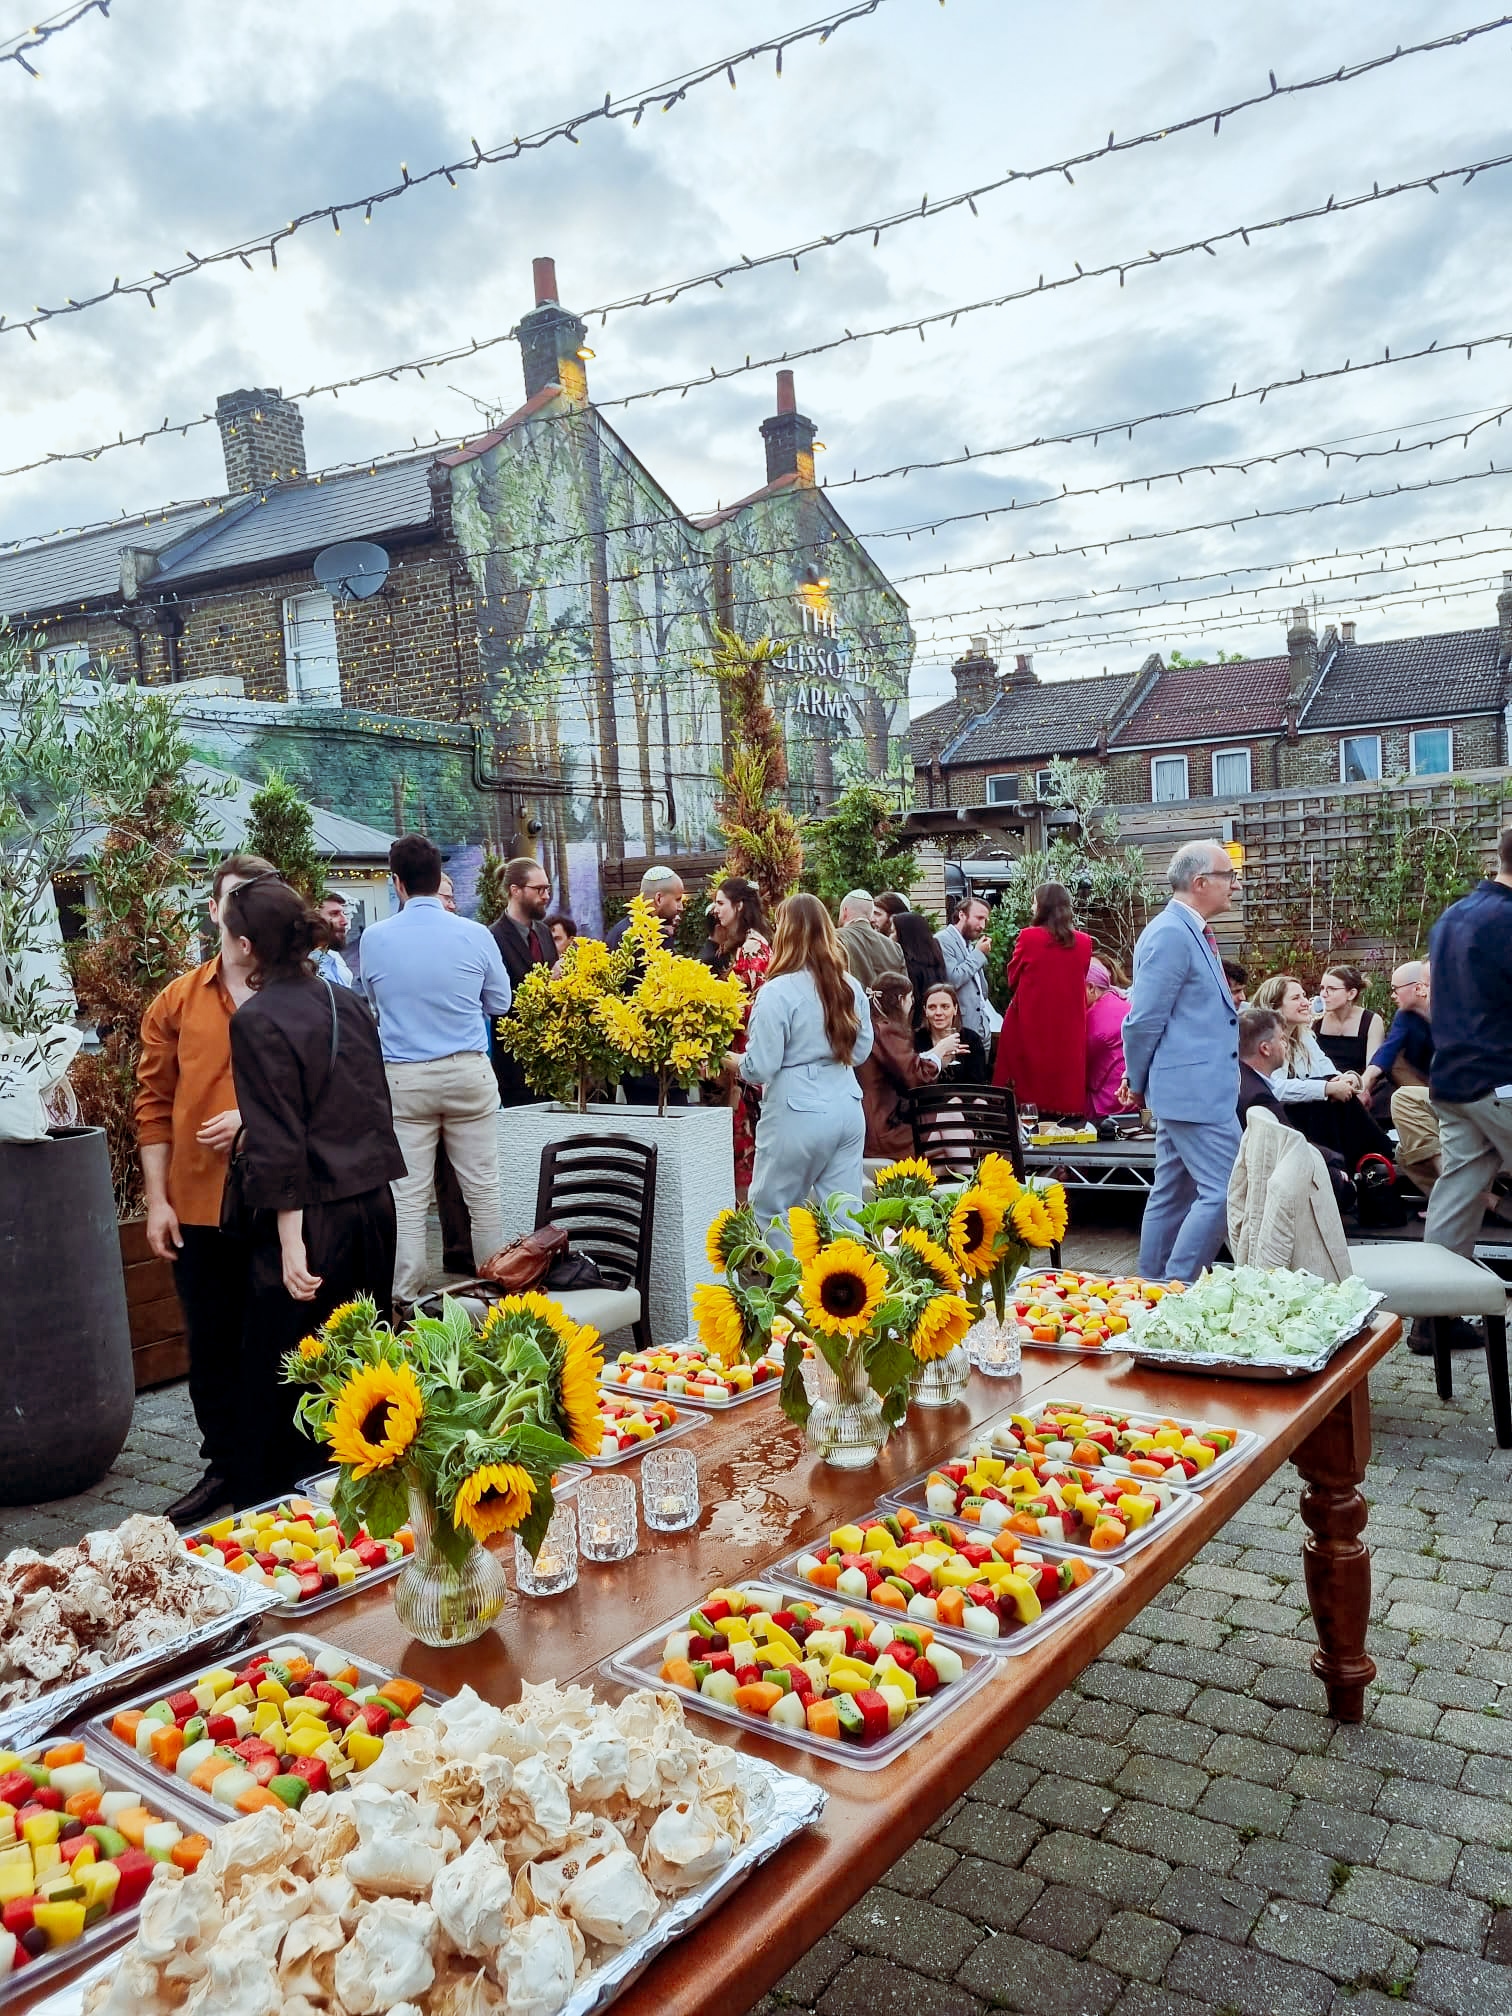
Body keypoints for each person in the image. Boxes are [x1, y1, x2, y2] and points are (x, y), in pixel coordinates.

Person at [222, 876, 406, 1502]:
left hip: (314, 1220)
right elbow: (367, 1108)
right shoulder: (347, 1002)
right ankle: (375, 1502)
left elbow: (278, 1140)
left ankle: (293, 1523)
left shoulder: (255, 1020)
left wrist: (290, 1241)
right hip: (374, 1209)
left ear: (247, 944)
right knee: (365, 1368)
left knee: (292, 1377)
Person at [135, 852, 276, 1524]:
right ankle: (225, 1469)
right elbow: (153, 1102)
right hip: (197, 1204)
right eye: (235, 895)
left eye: (259, 894)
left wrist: (256, 1118)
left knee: (280, 1339)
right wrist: (157, 1199)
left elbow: (336, 1092)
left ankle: (282, 1470)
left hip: (286, 1205)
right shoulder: (179, 1000)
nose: (244, 906)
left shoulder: (302, 998)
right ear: (216, 910)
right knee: (213, 1344)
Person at [358, 834, 510, 1306]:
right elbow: (500, 1001)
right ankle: (495, 1292)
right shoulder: (475, 934)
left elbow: (374, 1003)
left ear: (397, 882)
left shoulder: (374, 938)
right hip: (467, 1071)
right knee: (482, 1190)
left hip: (406, 1079)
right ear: (437, 878)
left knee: (406, 1194)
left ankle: (405, 1297)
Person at [1121, 840, 1241, 1282]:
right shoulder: (1172, 932)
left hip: (1191, 1089)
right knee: (1227, 1190)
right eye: (1229, 875)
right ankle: (1177, 1288)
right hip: (1194, 1093)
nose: (1236, 884)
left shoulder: (1185, 929)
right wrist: (1135, 1079)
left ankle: (1149, 1289)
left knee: (1172, 1193)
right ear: (1200, 882)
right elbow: (1143, 1019)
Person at [739, 893, 874, 1227]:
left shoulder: (778, 990)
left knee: (773, 1210)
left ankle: (789, 1280)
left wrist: (729, 1060)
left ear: (785, 933)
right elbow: (859, 1052)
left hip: (796, 1107)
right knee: (845, 1214)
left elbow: (760, 1066)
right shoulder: (850, 986)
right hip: (846, 1103)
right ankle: (851, 1278)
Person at [1423, 828, 1512, 1266]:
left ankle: (1433, 1324)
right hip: (1501, 1079)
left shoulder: (1452, 916)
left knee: (1456, 1198)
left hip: (1455, 1081)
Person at [1251, 974, 1394, 1169]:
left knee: (1331, 1094)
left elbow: (1329, 1071)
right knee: (1324, 1100)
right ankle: (1379, 1155)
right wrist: (1326, 1088)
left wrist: (1349, 1078)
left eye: (1304, 996)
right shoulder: (1267, 1041)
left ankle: (1364, 1162)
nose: (1305, 1002)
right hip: (1277, 1118)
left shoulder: (1303, 1036)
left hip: (1309, 1118)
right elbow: (1274, 1088)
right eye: (1296, 998)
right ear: (1274, 1006)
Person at [994, 883, 1093, 1115]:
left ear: (1042, 906)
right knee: (1064, 1074)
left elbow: (1012, 977)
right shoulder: (1085, 942)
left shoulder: (1028, 937)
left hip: (1030, 1019)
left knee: (1027, 1075)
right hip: (1068, 1024)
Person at [706, 876, 771, 1197]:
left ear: (739, 906)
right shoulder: (742, 944)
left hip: (747, 1060)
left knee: (747, 1146)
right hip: (741, 1060)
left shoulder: (752, 947)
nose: (714, 909)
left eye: (720, 903)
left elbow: (746, 1005)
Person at [607, 865, 688, 1103]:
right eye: (678, 899)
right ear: (659, 898)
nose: (681, 906)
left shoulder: (621, 931)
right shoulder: (646, 937)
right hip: (652, 1060)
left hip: (637, 1058)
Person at [859, 973, 960, 1159]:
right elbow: (915, 1077)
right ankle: (972, 1181)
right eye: (910, 997)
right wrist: (939, 1051)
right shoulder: (887, 1029)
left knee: (954, 1130)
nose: (912, 1003)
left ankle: (965, 1180)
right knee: (951, 1121)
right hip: (883, 1130)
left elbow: (901, 1065)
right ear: (900, 1000)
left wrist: (932, 1057)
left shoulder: (873, 1027)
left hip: (872, 1124)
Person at [1361, 961, 1439, 1190]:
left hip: (1467, 1087)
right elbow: (1387, 1051)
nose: (1392, 995)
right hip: (1427, 1083)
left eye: (1395, 988)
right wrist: (1364, 1084)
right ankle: (1446, 1197)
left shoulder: (1454, 1012)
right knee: (1406, 1151)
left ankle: (1458, 1199)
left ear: (1418, 988)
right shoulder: (1405, 1016)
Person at [489, 857, 553, 1108]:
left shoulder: (545, 932)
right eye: (539, 889)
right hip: (515, 1065)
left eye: (547, 888)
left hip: (551, 1058)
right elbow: (499, 1000)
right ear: (515, 891)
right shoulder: (492, 938)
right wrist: (549, 982)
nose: (546, 895)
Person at [936, 894, 994, 1045]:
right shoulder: (943, 940)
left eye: (985, 920)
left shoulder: (968, 943)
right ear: (962, 915)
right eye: (979, 918)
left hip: (981, 1027)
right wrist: (978, 954)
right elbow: (952, 979)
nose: (982, 926)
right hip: (960, 1030)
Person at [1314, 966, 1386, 1085]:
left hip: (1358, 1083)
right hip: (1323, 1085)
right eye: (1322, 988)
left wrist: (1362, 1089)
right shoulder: (1316, 1019)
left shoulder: (1371, 1020)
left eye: (1331, 989)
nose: (1323, 994)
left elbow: (1372, 1067)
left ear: (1351, 994)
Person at [1084, 957, 1135, 1118]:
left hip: (1110, 1103)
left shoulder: (1096, 1018)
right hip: (1132, 1098)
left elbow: (1077, 1061)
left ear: (1091, 988)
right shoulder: (1118, 1000)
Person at [918, 981, 989, 1084]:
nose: (938, 1013)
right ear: (925, 1011)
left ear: (955, 1009)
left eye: (945, 1007)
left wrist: (959, 1098)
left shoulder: (971, 1039)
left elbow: (977, 1082)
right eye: (932, 1007)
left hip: (964, 1099)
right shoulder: (915, 1039)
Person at [836, 889, 906, 989]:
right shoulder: (894, 947)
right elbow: (905, 991)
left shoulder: (833, 939)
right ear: (870, 915)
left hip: (850, 1004)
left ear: (844, 911)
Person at [606, 864, 684, 953]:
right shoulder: (658, 938)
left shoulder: (618, 930)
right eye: (678, 899)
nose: (681, 908)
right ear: (658, 899)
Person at [893, 912, 948, 1033]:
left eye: (893, 932)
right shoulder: (935, 959)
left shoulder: (907, 965)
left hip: (914, 1026)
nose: (890, 937)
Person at [1237, 1006, 1290, 1126]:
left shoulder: (1236, 1079)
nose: (1285, 1044)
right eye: (1281, 1039)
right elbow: (1288, 1143)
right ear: (1265, 1048)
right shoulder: (1259, 1098)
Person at [314, 893, 352, 988]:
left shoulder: (331, 959)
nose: (345, 921)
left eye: (344, 913)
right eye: (334, 914)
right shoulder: (304, 968)